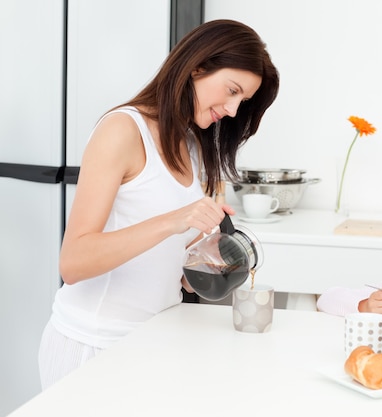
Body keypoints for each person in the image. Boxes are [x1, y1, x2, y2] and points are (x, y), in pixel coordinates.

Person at [38, 19, 279, 389]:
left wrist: (206, 254)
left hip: (154, 340)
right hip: (95, 347)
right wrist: (176, 220)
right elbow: (73, 262)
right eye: (232, 91)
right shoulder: (122, 130)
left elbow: (169, 266)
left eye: (242, 101)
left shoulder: (193, 146)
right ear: (198, 65)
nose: (232, 109)